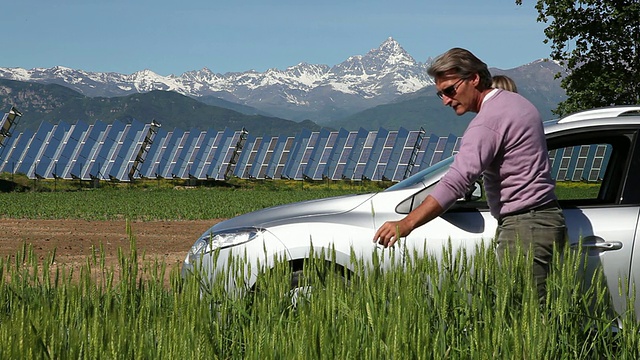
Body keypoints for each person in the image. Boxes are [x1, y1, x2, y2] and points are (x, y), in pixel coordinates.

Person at [373, 48, 566, 301]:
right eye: (440, 94)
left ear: (474, 79)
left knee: (522, 318)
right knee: (541, 314)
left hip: (524, 227)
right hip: (546, 219)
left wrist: (407, 223)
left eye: (450, 90)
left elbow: (457, 181)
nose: (446, 100)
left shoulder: (488, 121)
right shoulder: (517, 103)